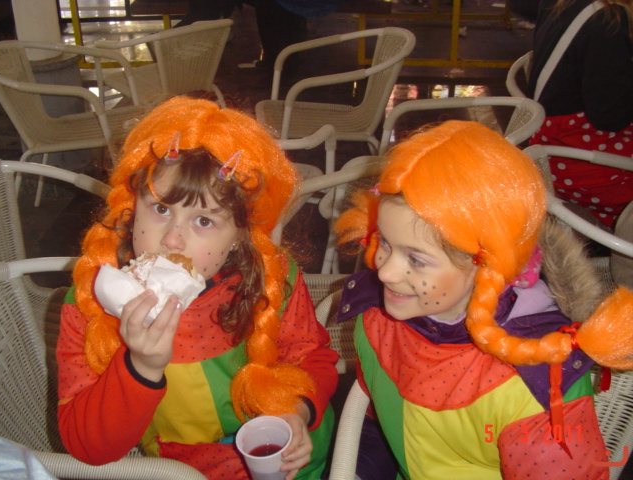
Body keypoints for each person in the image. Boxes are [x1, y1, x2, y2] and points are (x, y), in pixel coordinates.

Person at [56, 96, 338, 480]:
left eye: (204, 221)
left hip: (289, 463)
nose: (172, 239)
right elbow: (86, 446)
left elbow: (313, 357)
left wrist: (299, 410)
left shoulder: (273, 280)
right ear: (132, 206)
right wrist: (141, 367)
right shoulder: (92, 302)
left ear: (240, 235)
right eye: (160, 209)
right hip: (181, 470)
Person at [333, 120, 633, 479]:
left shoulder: (535, 386)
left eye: (416, 259)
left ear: (485, 264)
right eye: (384, 241)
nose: (385, 273)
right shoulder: (377, 318)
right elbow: (383, 425)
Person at [527, 0, 633, 229]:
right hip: (578, 163)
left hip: (547, 146)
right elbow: (610, 117)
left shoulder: (562, 4)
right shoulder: (609, 21)